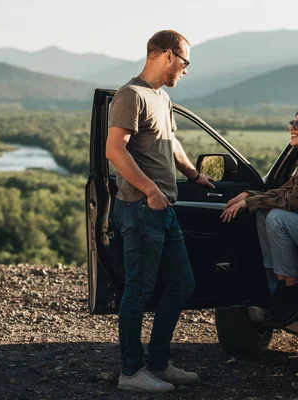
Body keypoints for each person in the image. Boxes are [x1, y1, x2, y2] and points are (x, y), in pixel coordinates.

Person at [106, 30, 215, 393]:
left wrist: (194, 174)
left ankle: (158, 363)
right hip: (140, 208)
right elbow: (115, 151)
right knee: (138, 290)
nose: (185, 70)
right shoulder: (130, 95)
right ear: (167, 55)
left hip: (162, 207)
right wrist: (151, 190)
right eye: (185, 62)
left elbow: (171, 143)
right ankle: (131, 372)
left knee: (182, 284)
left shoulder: (161, 98)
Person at [220, 108, 298, 326]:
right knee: (263, 215)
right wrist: (250, 196)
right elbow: (285, 190)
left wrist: (250, 202)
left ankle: (294, 293)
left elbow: (295, 202)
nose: (292, 127)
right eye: (292, 123)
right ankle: (277, 290)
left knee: (277, 218)